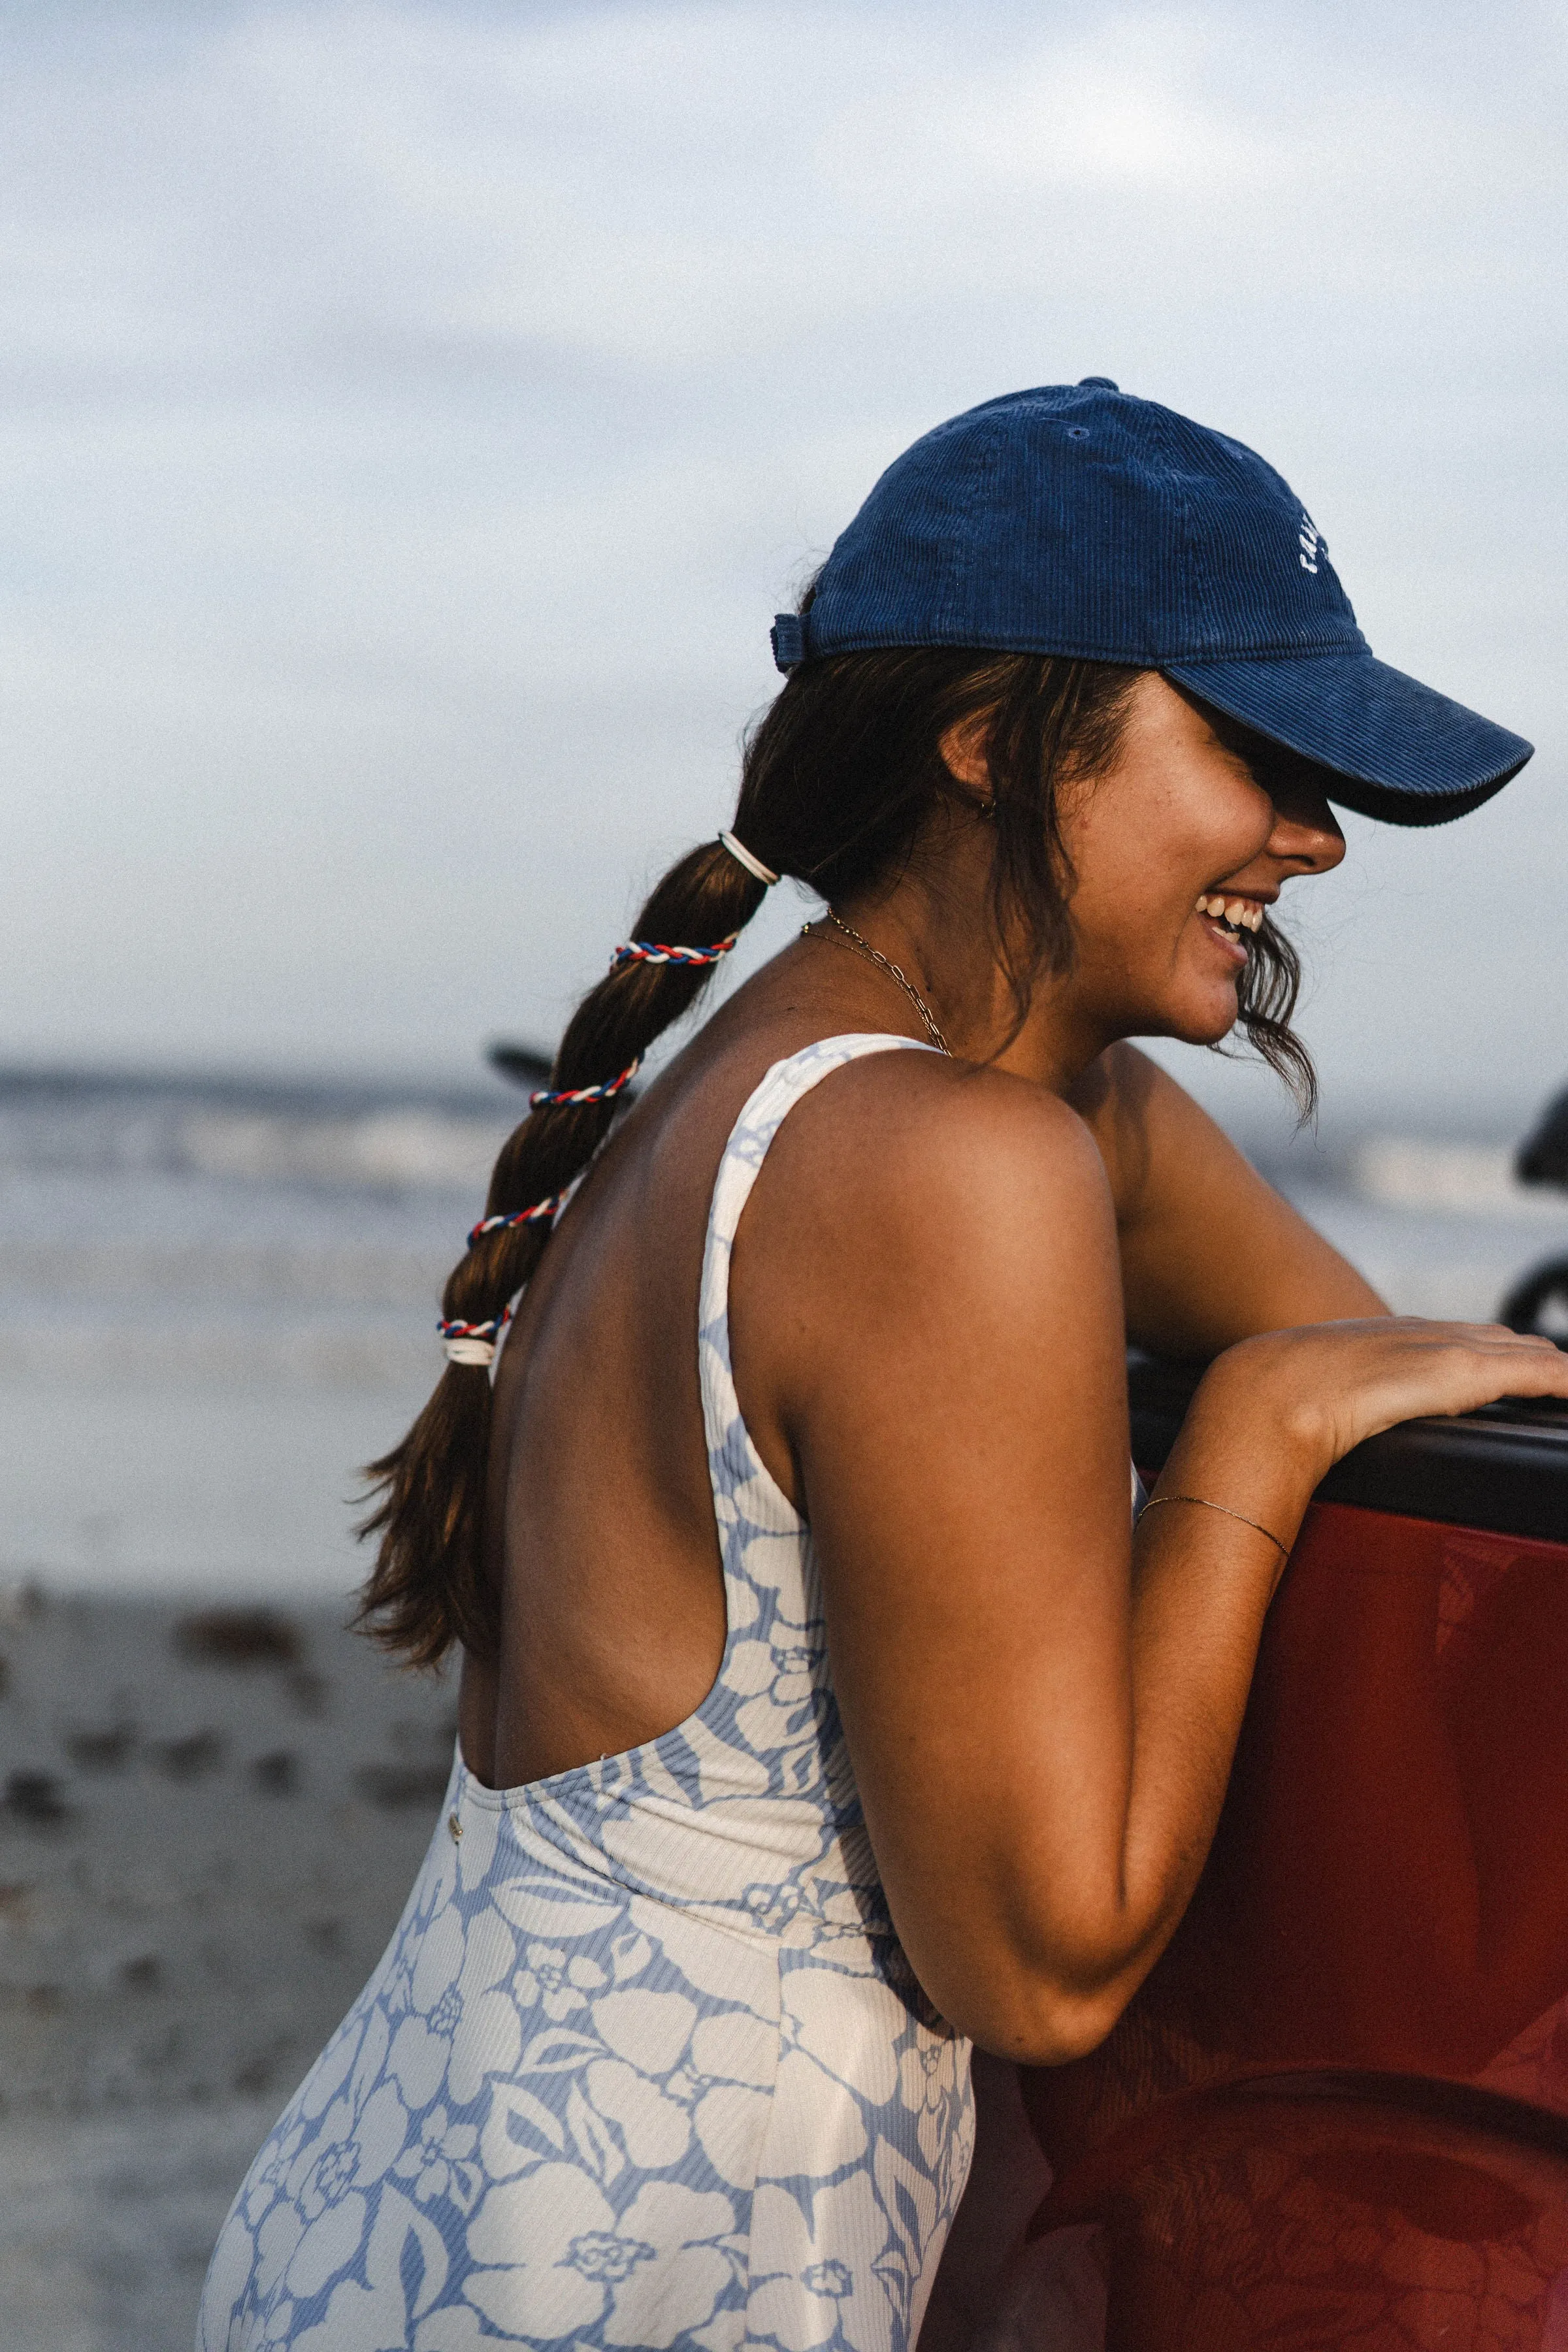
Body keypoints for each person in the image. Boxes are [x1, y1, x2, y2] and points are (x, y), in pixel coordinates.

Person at [198, 382, 1568, 2352]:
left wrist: (1319, 1370)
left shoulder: (820, 1091)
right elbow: (1044, 1963)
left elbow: (1383, 1358)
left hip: (404, 2232)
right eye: (1255, 747)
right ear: (996, 743)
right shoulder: (945, 1165)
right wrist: (1247, 1444)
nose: (1318, 837)